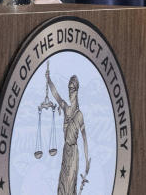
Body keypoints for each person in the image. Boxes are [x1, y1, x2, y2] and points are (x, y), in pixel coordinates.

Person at [45, 67, 90, 195]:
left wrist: (87, 161)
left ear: (77, 91)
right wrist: (49, 80)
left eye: (72, 89)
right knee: (63, 183)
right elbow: (55, 95)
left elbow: (85, 140)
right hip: (66, 151)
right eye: (69, 89)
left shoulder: (79, 115)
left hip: (74, 152)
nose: (70, 92)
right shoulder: (65, 108)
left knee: (70, 184)